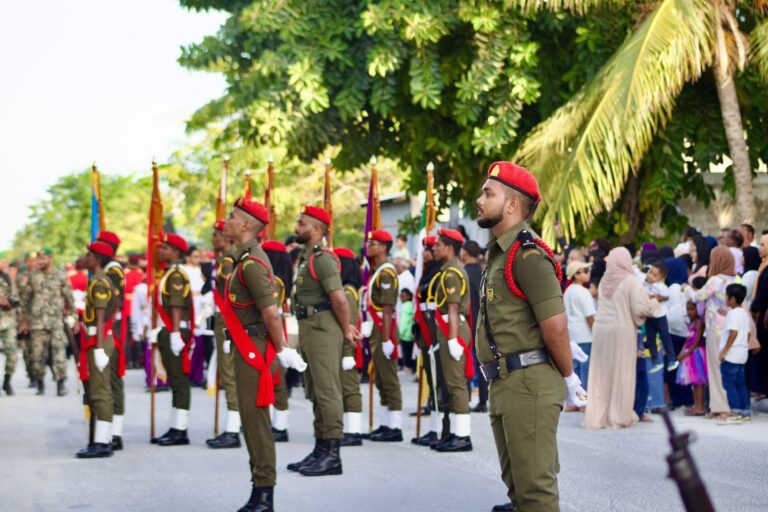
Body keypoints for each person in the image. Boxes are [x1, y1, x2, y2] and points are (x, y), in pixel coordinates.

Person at [475, 161, 585, 512]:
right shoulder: (501, 252)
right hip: (506, 381)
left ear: (511, 204)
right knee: (518, 490)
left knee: (535, 492)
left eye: (488, 193)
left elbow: (555, 326)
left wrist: (569, 377)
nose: (480, 200)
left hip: (528, 381)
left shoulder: (528, 254)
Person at [222, 197, 307, 511]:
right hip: (246, 344)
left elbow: (271, 313)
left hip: (253, 349)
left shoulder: (253, 264)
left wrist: (282, 348)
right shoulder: (245, 259)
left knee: (255, 422)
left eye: (233, 217)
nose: (227, 221)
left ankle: (264, 494)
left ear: (246, 224)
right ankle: (259, 489)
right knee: (250, 419)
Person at [288, 205, 358, 476]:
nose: (297, 227)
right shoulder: (306, 257)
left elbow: (339, 299)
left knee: (327, 390)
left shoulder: (322, 258)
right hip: (309, 327)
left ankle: (332, 454)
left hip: (323, 328)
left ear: (316, 229)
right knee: (315, 390)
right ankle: (320, 448)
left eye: (302, 223)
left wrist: (346, 329)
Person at [585, 247, 660, 429]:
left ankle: (598, 416)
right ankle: (618, 415)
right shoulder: (631, 280)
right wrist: (654, 304)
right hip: (621, 331)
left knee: (601, 374)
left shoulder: (604, 280)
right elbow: (639, 309)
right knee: (621, 372)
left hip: (601, 330)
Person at [428, 228, 474, 452]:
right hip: (449, 327)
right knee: (450, 383)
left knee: (456, 383)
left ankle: (463, 436)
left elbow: (453, 308)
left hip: (453, 329)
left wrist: (454, 339)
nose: (434, 248)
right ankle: (454, 433)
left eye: (438, 245)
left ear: (449, 248)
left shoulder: (451, 273)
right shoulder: (448, 270)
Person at [151, 233, 195, 446]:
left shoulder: (176, 274)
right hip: (170, 329)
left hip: (175, 330)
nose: (161, 251)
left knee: (179, 380)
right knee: (175, 380)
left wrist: (175, 333)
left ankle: (180, 429)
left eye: (166, 248)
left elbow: (176, 305)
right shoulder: (170, 272)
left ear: (176, 253)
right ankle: (175, 426)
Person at [76, 241, 119, 458]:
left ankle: (102, 442)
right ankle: (102, 439)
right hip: (96, 339)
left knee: (100, 391)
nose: (86, 258)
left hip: (99, 340)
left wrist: (100, 348)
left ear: (98, 259)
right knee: (98, 390)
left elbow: (101, 318)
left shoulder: (100, 282)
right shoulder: (98, 279)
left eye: (90, 255)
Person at [363, 229, 404, 442]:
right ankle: (386, 423)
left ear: (383, 248)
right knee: (380, 377)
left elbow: (387, 309)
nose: (368, 247)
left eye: (373, 244)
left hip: (384, 329)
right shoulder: (378, 270)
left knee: (389, 378)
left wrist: (387, 340)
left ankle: (395, 426)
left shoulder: (386, 272)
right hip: (378, 329)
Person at [20, 248, 77, 397]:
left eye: (43, 258)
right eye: (39, 259)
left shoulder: (60, 276)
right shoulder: (33, 277)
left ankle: (61, 383)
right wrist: (24, 320)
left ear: (51, 258)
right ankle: (40, 382)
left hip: (56, 322)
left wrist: (75, 318)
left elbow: (69, 298)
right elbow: (25, 300)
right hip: (37, 323)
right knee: (38, 356)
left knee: (59, 353)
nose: (40, 261)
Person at [206, 220, 241, 449]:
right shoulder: (223, 260)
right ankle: (232, 426)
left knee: (229, 373)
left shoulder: (229, 260)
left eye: (217, 235)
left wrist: (229, 328)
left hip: (227, 320)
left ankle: (233, 430)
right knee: (227, 372)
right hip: (223, 318)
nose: (214, 239)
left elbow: (231, 295)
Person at [694, 247, 736, 420]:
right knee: (730, 368)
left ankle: (720, 407)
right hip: (733, 329)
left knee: (715, 367)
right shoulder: (737, 279)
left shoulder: (715, 280)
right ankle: (728, 405)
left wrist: (686, 289)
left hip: (716, 329)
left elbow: (697, 297)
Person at [96, 231, 127, 450]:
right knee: (109, 380)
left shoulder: (113, 271)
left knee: (112, 380)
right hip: (110, 327)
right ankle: (111, 430)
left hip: (111, 328)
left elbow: (114, 302)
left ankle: (115, 432)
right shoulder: (108, 270)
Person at [262, 240, 293, 444]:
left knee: (275, 376)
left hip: (272, 329)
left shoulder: (275, 282)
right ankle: (276, 423)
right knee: (274, 376)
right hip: (274, 328)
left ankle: (280, 426)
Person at [334, 247, 365, 446]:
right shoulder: (344, 290)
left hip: (347, 347)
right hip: (342, 346)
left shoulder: (348, 292)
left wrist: (348, 352)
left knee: (350, 387)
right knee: (345, 387)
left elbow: (350, 324)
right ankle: (349, 428)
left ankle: (354, 431)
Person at [718, 284, 752, 424]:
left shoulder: (732, 314)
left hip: (731, 355)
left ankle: (735, 411)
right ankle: (745, 411)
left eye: (726, 296)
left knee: (729, 384)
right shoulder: (743, 313)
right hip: (742, 354)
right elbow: (748, 334)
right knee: (740, 383)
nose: (725, 299)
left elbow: (733, 333)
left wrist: (724, 351)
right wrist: (743, 347)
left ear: (732, 299)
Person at [664, 257, 694, 409]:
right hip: (686, 332)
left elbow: (674, 314)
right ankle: (687, 399)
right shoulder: (685, 287)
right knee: (685, 367)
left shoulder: (673, 288)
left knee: (673, 368)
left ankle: (677, 399)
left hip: (674, 333)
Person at [563, 261, 594, 400]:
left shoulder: (568, 291)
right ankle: (584, 400)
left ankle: (573, 400)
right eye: (585, 271)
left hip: (571, 335)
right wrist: (596, 333)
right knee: (585, 370)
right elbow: (589, 316)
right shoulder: (583, 292)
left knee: (573, 370)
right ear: (576, 275)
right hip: (585, 335)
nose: (588, 273)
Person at [461, 240, 485, 412]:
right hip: (483, 322)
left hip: (468, 322)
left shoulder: (464, 273)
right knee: (482, 362)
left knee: (466, 361)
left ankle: (467, 398)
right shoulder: (484, 272)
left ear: (465, 253)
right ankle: (483, 400)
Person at [643, 261, 678, 373]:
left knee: (664, 336)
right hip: (649, 315)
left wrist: (655, 297)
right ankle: (656, 361)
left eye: (655, 275)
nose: (650, 276)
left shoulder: (661, 287)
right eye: (650, 272)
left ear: (661, 278)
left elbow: (666, 296)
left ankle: (672, 359)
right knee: (650, 338)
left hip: (660, 315)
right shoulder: (644, 283)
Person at [676, 302, 707, 415]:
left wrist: (685, 354)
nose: (689, 312)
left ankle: (700, 407)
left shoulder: (699, 323)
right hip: (690, 353)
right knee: (694, 382)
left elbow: (696, 342)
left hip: (697, 354)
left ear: (698, 309)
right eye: (688, 309)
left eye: (692, 309)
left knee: (699, 382)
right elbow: (688, 340)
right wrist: (681, 352)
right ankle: (696, 405)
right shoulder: (691, 323)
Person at [749, 233, 768, 396]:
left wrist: (754, 306)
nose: (759, 248)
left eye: (763, 245)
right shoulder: (763, 266)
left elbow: (764, 291)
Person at [1, 263, 19, 395]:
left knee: (12, 354)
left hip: (7, 322)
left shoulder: (8, 279)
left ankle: (7, 380)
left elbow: (16, 299)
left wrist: (8, 302)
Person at [398, 288, 416, 374]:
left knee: (406, 352)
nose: (401, 298)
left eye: (403, 296)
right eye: (400, 296)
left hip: (405, 335)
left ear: (408, 296)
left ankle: (408, 367)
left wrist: (400, 333)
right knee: (409, 352)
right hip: (410, 334)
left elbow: (404, 322)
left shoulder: (406, 306)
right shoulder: (410, 305)